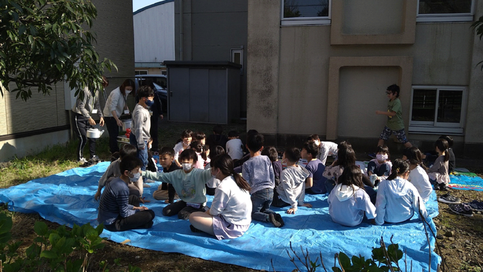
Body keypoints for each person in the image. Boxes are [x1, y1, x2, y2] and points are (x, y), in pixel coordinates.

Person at [189, 154, 252, 240]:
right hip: (244, 223)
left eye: (212, 169)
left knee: (193, 217)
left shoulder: (223, 186)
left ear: (218, 170)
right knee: (203, 212)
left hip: (232, 227)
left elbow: (214, 212)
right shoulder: (236, 179)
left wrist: (205, 214)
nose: (211, 172)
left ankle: (208, 229)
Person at [142, 149, 212, 219]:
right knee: (167, 211)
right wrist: (142, 173)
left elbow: (212, 171)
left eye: (188, 159)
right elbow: (159, 176)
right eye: (183, 159)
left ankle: (203, 209)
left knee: (182, 215)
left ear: (194, 161)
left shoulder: (200, 173)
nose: (185, 162)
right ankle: (187, 207)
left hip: (198, 203)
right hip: (185, 201)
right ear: (180, 160)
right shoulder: (176, 174)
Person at [98, 155, 155, 231]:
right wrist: (138, 210)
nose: (139, 173)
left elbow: (122, 204)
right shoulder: (122, 188)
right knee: (150, 214)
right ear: (126, 172)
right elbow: (124, 213)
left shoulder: (116, 180)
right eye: (136, 170)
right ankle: (140, 223)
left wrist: (135, 207)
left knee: (134, 198)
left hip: (107, 217)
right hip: (112, 223)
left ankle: (141, 222)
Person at [242, 133, 284, 227]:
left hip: (258, 192)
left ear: (247, 147)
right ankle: (275, 215)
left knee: (253, 213)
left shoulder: (247, 164)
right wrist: (272, 187)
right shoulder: (266, 159)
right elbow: (271, 174)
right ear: (261, 148)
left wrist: (248, 194)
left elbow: (246, 182)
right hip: (270, 191)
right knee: (264, 209)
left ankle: (268, 218)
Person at [375, 159, 427, 225]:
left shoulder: (383, 184)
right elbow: (418, 205)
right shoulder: (410, 186)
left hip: (388, 218)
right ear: (406, 173)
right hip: (406, 217)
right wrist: (424, 217)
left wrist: (379, 221)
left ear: (391, 170)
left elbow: (380, 205)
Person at [72, 79, 106, 166]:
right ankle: (79, 158)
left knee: (92, 136)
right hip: (78, 115)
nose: (102, 88)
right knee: (83, 137)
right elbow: (81, 106)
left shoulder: (96, 91)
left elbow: (97, 104)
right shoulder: (85, 90)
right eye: (102, 86)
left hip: (87, 116)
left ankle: (93, 155)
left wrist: (101, 116)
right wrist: (89, 118)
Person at [272, 147, 312, 214]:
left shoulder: (285, 173)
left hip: (282, 200)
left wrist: (294, 206)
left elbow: (288, 190)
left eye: (283, 156)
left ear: (286, 159)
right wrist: (300, 202)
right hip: (295, 198)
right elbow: (302, 187)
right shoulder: (301, 170)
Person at [103, 79, 136, 154]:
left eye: (131, 89)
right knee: (113, 135)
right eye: (128, 89)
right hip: (110, 115)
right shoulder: (116, 93)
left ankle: (117, 150)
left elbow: (124, 103)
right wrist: (117, 119)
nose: (129, 91)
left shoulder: (124, 93)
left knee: (116, 134)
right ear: (124, 87)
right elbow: (112, 108)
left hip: (116, 115)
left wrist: (127, 110)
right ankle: (114, 151)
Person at [376, 84, 412, 148]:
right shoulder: (390, 101)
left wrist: (380, 112)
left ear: (395, 93)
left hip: (397, 126)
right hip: (389, 125)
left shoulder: (397, 102)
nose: (388, 95)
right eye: (387, 93)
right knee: (382, 138)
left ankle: (415, 153)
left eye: (389, 93)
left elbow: (393, 113)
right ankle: (378, 153)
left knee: (404, 141)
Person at [129, 86, 155, 172]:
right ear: (144, 98)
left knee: (143, 159)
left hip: (143, 138)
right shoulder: (139, 111)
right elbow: (139, 128)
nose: (152, 101)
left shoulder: (144, 108)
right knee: (141, 160)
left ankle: (142, 177)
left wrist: (148, 138)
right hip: (139, 139)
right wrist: (140, 143)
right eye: (150, 99)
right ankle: (141, 180)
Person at [143, 80, 164, 153]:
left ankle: (155, 147)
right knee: (146, 131)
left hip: (153, 115)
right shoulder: (141, 95)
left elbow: (158, 103)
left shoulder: (154, 94)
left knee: (154, 131)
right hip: (145, 115)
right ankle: (147, 146)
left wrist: (160, 113)